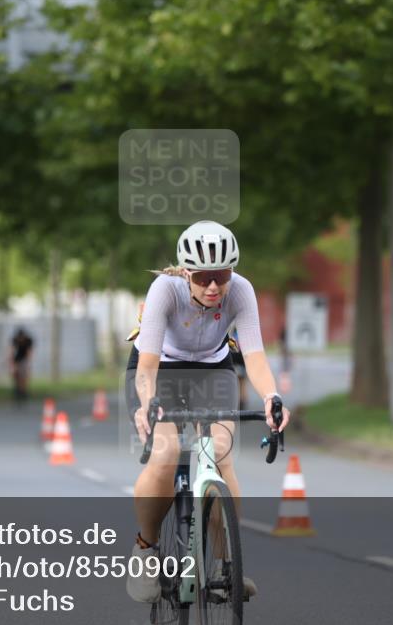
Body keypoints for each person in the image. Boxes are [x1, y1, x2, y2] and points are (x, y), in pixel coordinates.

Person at [124, 220, 291, 603]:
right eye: (202, 277)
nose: (213, 286)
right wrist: (148, 403)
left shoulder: (242, 292)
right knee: (165, 456)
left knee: (220, 454)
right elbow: (146, 366)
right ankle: (146, 549)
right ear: (186, 273)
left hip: (212, 371)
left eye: (222, 275)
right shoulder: (164, 291)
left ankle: (227, 564)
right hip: (160, 370)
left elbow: (255, 357)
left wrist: (271, 398)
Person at [9, 327, 34, 402]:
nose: (21, 340)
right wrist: (11, 362)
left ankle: (23, 391)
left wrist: (29, 363)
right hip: (16, 359)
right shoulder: (15, 339)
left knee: (24, 375)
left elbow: (29, 352)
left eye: (21, 338)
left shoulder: (28, 340)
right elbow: (11, 351)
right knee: (15, 373)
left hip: (24, 359)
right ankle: (17, 389)